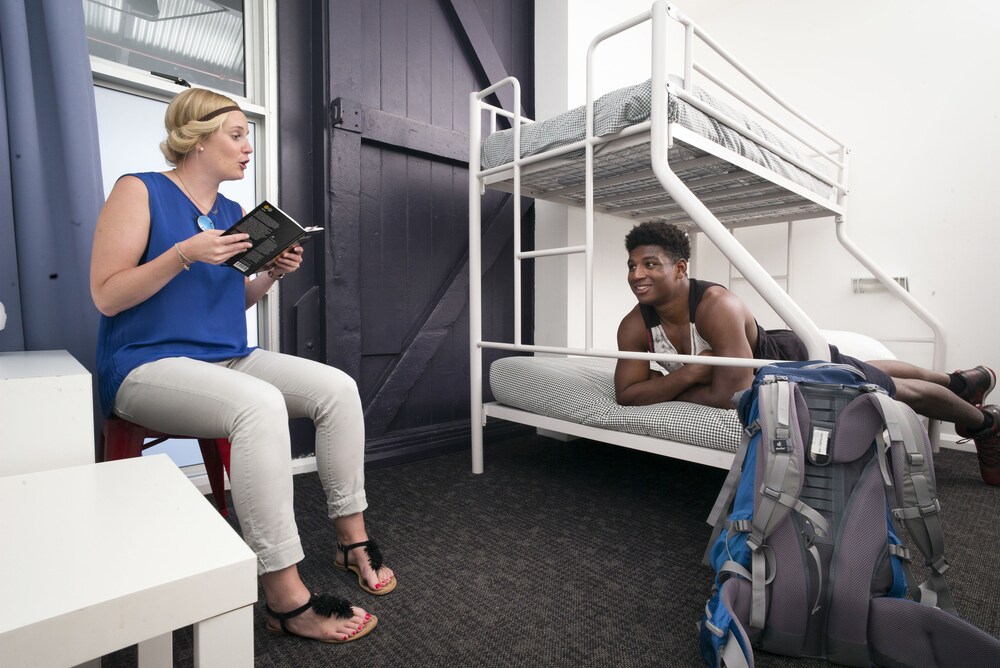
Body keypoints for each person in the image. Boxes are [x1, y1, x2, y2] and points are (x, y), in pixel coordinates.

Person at [90, 88, 396, 644]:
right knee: (260, 406)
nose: (247, 146)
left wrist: (271, 274)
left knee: (337, 389)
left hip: (226, 357)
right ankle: (285, 598)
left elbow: (230, 302)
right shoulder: (139, 190)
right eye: (236, 135)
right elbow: (107, 297)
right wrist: (184, 253)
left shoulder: (234, 214)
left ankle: (351, 539)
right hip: (144, 364)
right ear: (197, 140)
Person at [614, 221, 1000, 486]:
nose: (637, 275)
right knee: (867, 368)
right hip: (762, 367)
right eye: (632, 266)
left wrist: (668, 384)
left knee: (890, 389)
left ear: (681, 268)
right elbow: (627, 394)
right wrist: (691, 374)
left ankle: (985, 423)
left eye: (650, 264)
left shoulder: (717, 306)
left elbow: (731, 395)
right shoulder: (634, 325)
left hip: (789, 359)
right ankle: (962, 382)